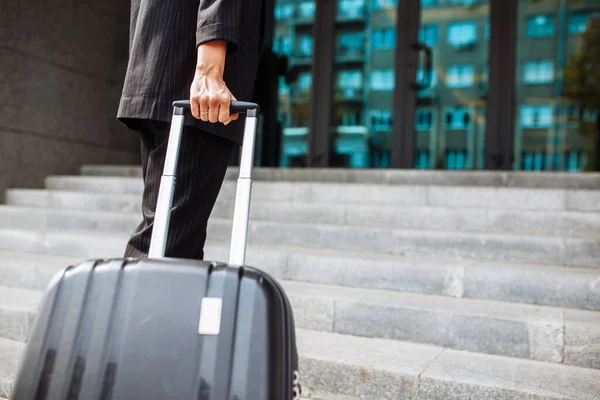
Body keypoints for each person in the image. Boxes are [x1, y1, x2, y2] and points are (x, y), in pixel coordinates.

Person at [116, 0, 265, 260]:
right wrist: (210, 69)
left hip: (161, 64)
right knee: (165, 246)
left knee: (175, 242)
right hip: (194, 84)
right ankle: (127, 301)